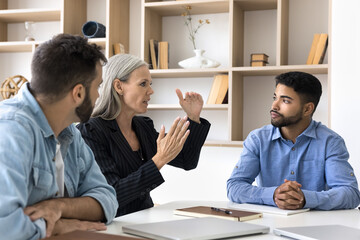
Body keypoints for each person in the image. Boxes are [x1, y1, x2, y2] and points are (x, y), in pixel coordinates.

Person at [0, 34, 118, 240]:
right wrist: (56, 227)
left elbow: (107, 198)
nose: (99, 96)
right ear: (78, 93)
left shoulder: (69, 131)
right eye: (98, 86)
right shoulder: (11, 131)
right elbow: (5, 226)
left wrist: (59, 207)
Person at [78, 54, 210, 217]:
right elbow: (112, 194)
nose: (151, 91)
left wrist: (194, 118)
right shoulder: (90, 131)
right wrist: (159, 160)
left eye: (150, 84)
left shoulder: (143, 126)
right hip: (113, 225)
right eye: (143, 84)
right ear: (118, 86)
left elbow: (187, 160)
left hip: (144, 220)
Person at [227, 71, 360, 210]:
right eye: (275, 97)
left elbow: (350, 193)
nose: (274, 106)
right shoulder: (258, 139)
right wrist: (273, 195)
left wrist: (305, 199)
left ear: (307, 109)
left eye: (285, 101)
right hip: (267, 223)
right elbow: (234, 186)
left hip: (316, 227)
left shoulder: (330, 142)